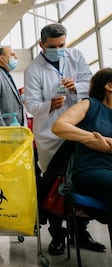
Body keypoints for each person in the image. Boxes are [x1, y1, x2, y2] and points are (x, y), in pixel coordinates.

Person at [24, 23, 104, 255]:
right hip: (50, 135)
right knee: (55, 184)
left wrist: (74, 87)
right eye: (52, 47)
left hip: (78, 129)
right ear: (42, 45)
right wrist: (50, 104)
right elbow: (30, 105)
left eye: (62, 45)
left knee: (79, 178)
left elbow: (90, 85)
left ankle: (81, 231)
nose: (59, 49)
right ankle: (58, 234)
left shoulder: (76, 56)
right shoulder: (33, 70)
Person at [52, 67, 112, 232]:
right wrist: (93, 139)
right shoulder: (90, 104)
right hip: (90, 170)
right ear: (109, 86)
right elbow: (59, 126)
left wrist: (107, 146)